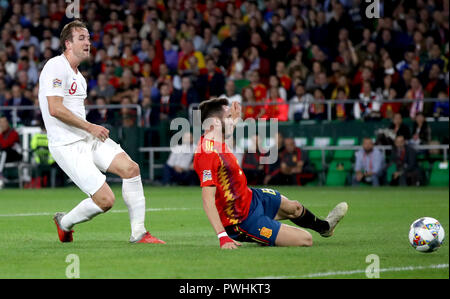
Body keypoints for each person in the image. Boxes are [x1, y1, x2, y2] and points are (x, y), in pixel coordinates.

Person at [38, 20, 164, 244]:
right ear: (68, 43)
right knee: (105, 200)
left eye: (88, 38)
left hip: (86, 138)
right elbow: (55, 109)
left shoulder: (80, 77)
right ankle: (64, 222)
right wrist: (90, 127)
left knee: (131, 169)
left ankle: (139, 234)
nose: (88, 42)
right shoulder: (56, 66)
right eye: (81, 38)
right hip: (67, 146)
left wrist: (88, 130)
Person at [193, 98, 348, 249]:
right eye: (227, 117)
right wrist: (222, 237)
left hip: (251, 198)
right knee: (305, 239)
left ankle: (325, 228)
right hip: (240, 220)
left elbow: (226, 130)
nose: (231, 120)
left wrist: (234, 119)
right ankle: (264, 232)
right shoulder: (206, 153)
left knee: (294, 208)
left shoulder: (217, 137)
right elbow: (207, 200)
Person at [0, 116, 23, 184]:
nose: (2, 124)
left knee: (4, 151)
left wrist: (0, 134)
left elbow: (5, 145)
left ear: (7, 123)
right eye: (0, 122)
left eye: (4, 122)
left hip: (15, 155)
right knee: (3, 152)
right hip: (5, 156)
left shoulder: (13, 133)